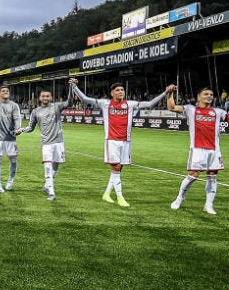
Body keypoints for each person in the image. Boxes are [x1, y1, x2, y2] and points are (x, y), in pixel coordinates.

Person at [70, 78, 175, 207]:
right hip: (112, 141)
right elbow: (86, 99)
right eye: (117, 90)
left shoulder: (130, 104)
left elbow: (150, 103)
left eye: (122, 90)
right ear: (112, 93)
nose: (121, 92)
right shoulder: (105, 103)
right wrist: (74, 87)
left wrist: (165, 93)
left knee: (119, 169)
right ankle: (120, 198)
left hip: (126, 141)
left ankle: (107, 194)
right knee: (116, 167)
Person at [166, 87, 229, 214]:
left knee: (212, 177)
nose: (209, 96)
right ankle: (179, 198)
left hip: (214, 150)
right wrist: (170, 93)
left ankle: (208, 204)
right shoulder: (191, 109)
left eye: (211, 94)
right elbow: (172, 107)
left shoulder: (218, 112)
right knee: (193, 175)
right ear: (199, 97)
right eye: (206, 94)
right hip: (197, 149)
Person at [15, 88, 71, 201]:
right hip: (46, 143)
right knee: (48, 166)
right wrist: (22, 130)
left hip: (59, 142)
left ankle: (47, 186)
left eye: (47, 96)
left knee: (56, 165)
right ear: (39, 98)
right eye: (43, 96)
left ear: (51, 97)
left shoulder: (57, 107)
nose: (45, 98)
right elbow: (31, 128)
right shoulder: (35, 112)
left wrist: (72, 87)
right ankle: (51, 192)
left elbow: (69, 102)